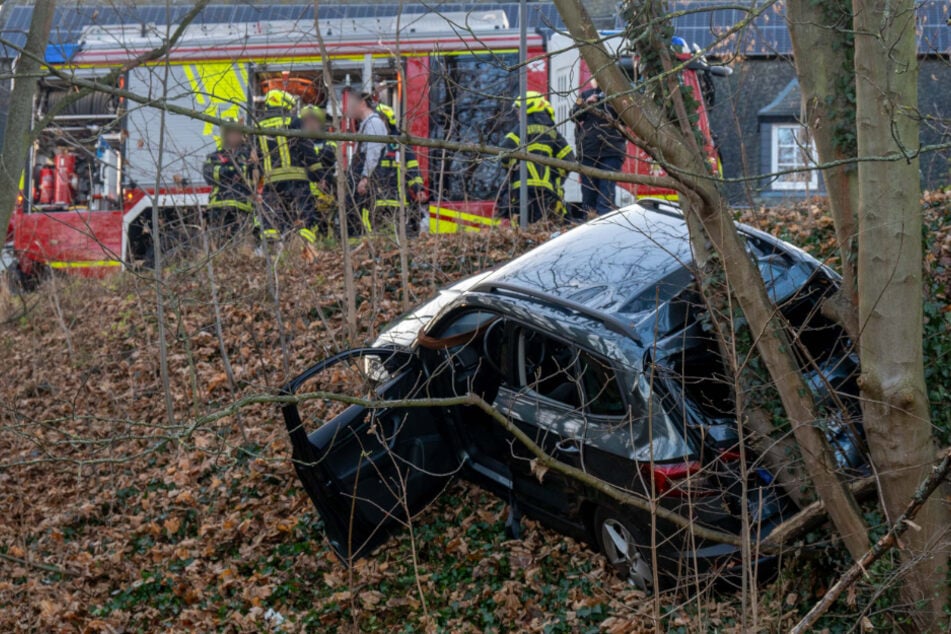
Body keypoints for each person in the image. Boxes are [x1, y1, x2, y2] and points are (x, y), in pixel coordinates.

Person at [499, 91, 574, 224]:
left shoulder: (522, 128)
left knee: (523, 229)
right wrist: (555, 177)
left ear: (529, 107)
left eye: (519, 110)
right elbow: (569, 160)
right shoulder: (551, 131)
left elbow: (504, 152)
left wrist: (512, 168)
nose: (518, 115)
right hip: (547, 192)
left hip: (523, 191)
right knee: (546, 229)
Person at [254, 89, 318, 242]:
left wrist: (257, 185)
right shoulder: (293, 121)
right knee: (303, 218)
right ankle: (303, 249)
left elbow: (256, 158)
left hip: (271, 183)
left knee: (274, 222)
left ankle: (274, 253)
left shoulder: (258, 126)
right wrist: (318, 173)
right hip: (296, 181)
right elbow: (306, 148)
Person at [571, 80, 626, 216]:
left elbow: (629, 119)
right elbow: (572, 114)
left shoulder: (619, 96)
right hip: (588, 153)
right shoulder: (583, 95)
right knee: (588, 197)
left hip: (611, 152)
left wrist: (618, 106)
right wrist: (586, 104)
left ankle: (604, 227)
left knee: (606, 197)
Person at [374, 103, 427, 233]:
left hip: (399, 202)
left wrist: (418, 189)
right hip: (376, 202)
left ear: (386, 120)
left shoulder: (401, 142)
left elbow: (412, 167)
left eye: (380, 119)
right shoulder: (372, 141)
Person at [344, 90, 390, 234]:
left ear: (362, 103)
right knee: (352, 213)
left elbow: (373, 153)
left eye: (352, 105)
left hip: (367, 179)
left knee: (361, 214)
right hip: (360, 177)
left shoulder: (374, 124)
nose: (349, 109)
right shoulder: (366, 125)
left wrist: (365, 178)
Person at [201, 118, 253, 237]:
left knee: (239, 242)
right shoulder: (215, 156)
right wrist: (230, 171)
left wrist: (224, 170)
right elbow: (208, 174)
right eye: (231, 133)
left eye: (237, 133)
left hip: (242, 206)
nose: (234, 136)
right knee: (218, 242)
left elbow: (247, 173)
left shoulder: (248, 154)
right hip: (218, 206)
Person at [300, 104, 336, 242]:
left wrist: (310, 157)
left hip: (324, 191)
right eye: (306, 120)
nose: (309, 124)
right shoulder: (299, 140)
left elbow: (329, 157)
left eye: (313, 120)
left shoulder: (328, 139)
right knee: (306, 223)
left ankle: (326, 247)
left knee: (325, 224)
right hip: (304, 190)